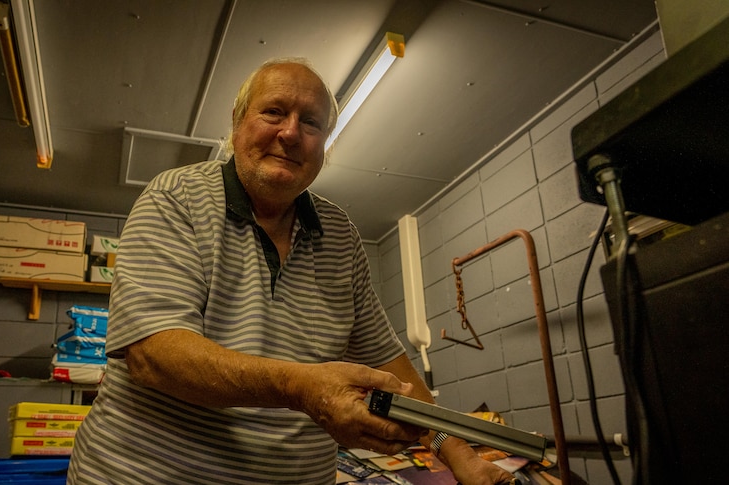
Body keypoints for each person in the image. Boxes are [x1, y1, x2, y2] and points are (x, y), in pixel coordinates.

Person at [67, 57, 514, 485]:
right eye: (274, 112)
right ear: (238, 123)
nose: (290, 132)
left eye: (312, 123)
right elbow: (153, 356)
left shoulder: (340, 235)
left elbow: (389, 367)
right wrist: (302, 388)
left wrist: (461, 456)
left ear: (325, 144)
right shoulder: (175, 197)